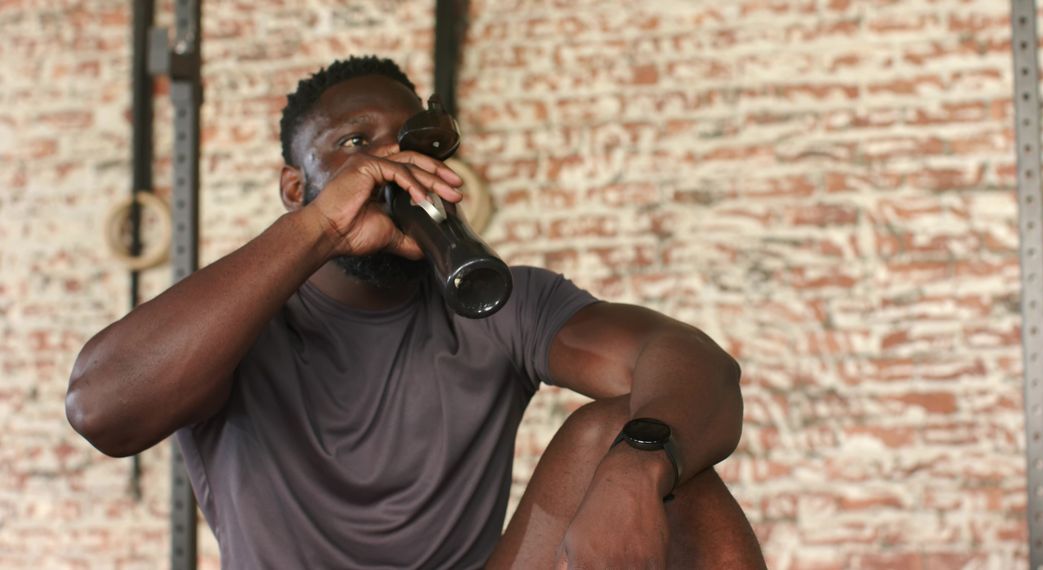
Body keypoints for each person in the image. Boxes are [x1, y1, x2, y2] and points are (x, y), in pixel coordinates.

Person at [66, 55, 765, 569]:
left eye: (409, 141)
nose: (389, 160)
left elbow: (696, 367)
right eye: (354, 143)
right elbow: (100, 409)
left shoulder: (496, 300)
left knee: (644, 438)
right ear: (295, 187)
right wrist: (322, 229)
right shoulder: (235, 317)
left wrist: (639, 466)